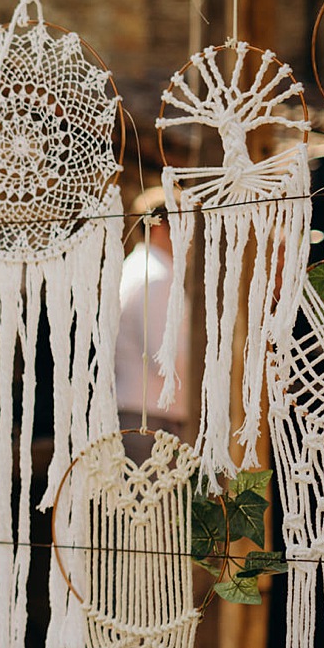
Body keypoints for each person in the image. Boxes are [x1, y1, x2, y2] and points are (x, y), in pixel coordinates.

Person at [117, 185, 188, 455]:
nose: (189, 237)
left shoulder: (137, 268)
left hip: (141, 413)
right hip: (150, 419)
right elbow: (165, 357)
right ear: (158, 227)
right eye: (182, 226)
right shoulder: (156, 276)